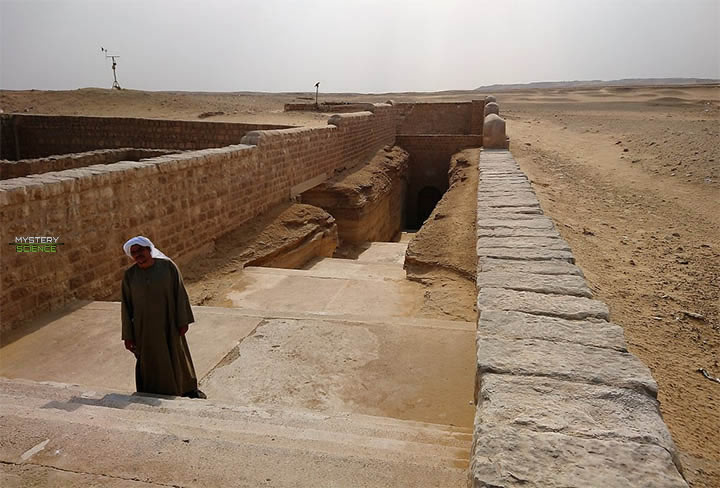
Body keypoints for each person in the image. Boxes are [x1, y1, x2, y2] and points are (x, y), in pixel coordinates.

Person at [121, 236, 205, 399]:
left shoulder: (168, 267)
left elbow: (180, 293)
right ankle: (152, 391)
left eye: (140, 250)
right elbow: (126, 307)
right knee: (149, 360)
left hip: (169, 324)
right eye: (134, 252)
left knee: (176, 355)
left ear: (149, 249)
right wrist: (128, 336)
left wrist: (183, 320)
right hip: (143, 329)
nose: (138, 255)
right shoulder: (129, 276)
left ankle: (186, 388)